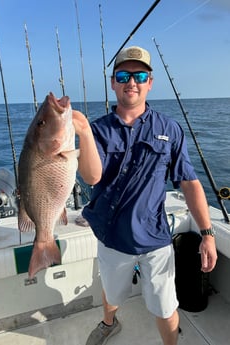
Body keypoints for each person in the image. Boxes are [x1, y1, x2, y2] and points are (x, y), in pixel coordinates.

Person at [73, 46, 217, 345]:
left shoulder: (170, 129)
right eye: (123, 75)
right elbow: (91, 177)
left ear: (150, 82)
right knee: (112, 294)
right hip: (111, 236)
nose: (131, 82)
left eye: (139, 75)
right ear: (113, 82)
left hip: (155, 239)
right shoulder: (97, 130)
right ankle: (109, 322)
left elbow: (189, 182)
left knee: (166, 307)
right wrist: (84, 133)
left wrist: (207, 234)